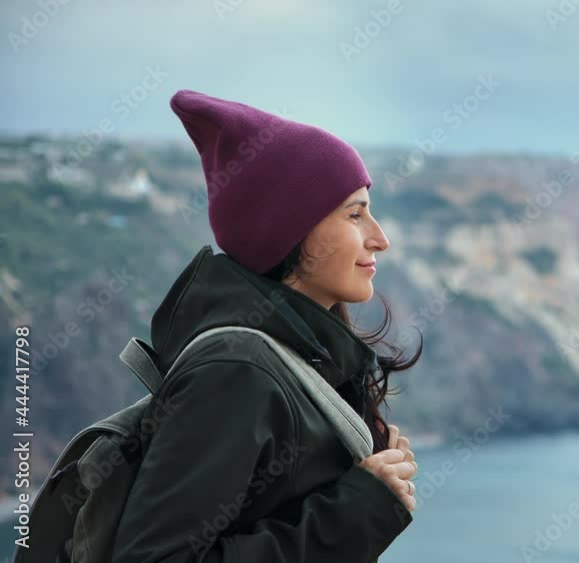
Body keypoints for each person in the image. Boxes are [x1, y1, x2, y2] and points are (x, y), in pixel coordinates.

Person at [110, 89, 423, 562]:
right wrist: (359, 509)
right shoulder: (237, 375)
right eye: (355, 214)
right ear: (290, 231)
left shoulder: (300, 357)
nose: (380, 238)